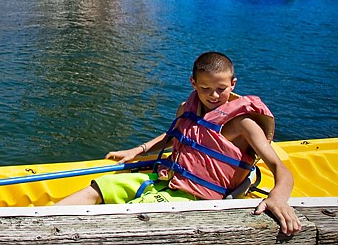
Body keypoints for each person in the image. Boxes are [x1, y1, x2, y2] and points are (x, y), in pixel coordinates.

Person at [55, 51, 301, 236]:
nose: (214, 96)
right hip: (163, 180)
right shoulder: (187, 109)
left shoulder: (243, 125)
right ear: (193, 83)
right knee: (100, 187)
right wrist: (137, 150)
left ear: (233, 84)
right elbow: (174, 137)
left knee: (134, 210)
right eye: (205, 88)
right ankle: (46, 221)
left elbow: (281, 170)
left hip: (193, 197)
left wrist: (278, 197)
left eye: (221, 89)